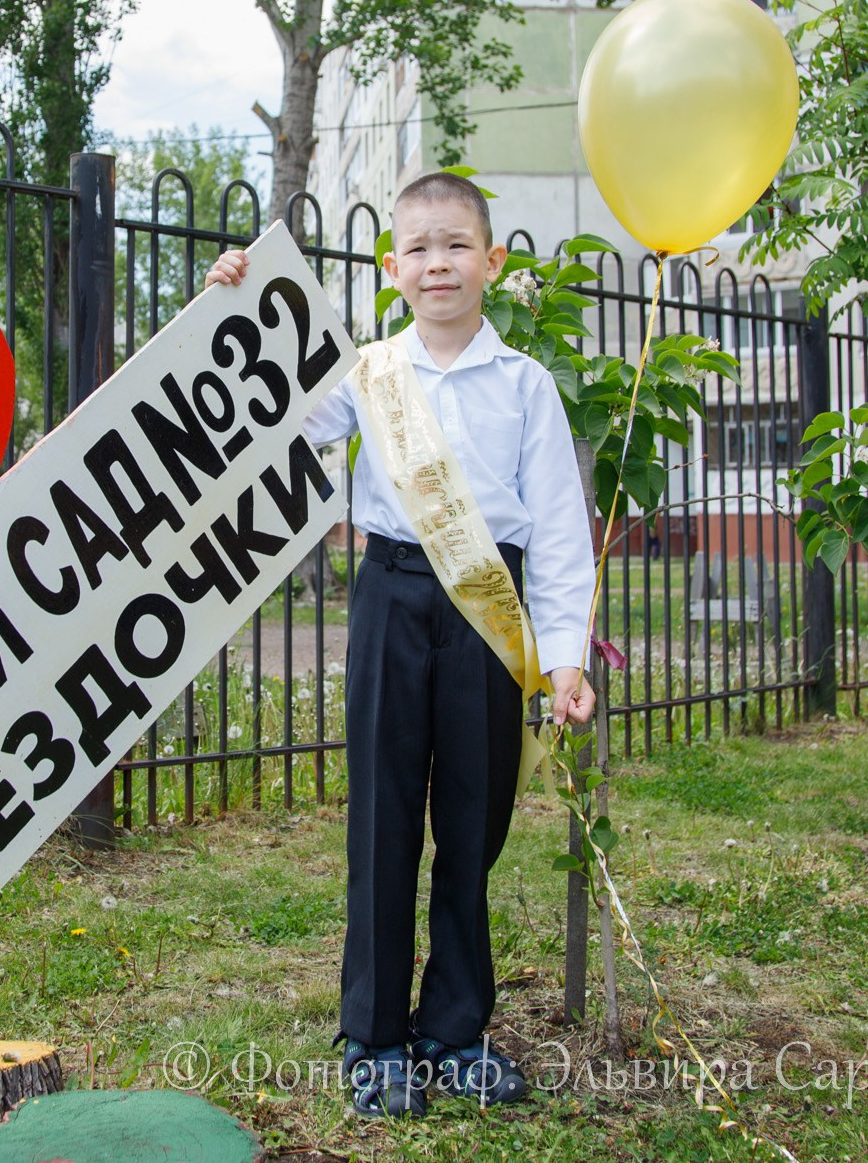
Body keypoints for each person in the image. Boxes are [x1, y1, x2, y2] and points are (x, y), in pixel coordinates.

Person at [203, 171, 596, 1116]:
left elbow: (557, 528)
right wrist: (233, 309)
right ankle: (374, 1034)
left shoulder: (527, 386)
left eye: (457, 245)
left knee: (473, 824)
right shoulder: (368, 374)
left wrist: (566, 656)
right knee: (381, 819)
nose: (438, 264)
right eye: (417, 248)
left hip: (486, 612)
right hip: (390, 593)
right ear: (392, 268)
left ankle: (455, 1028)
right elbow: (273, 420)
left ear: (494, 262)